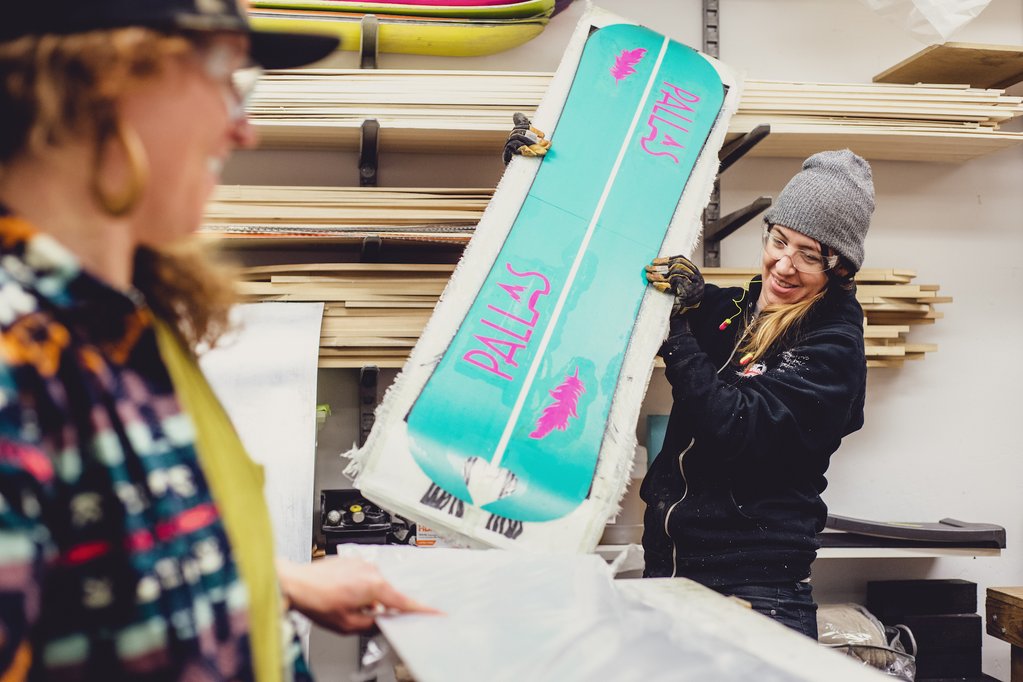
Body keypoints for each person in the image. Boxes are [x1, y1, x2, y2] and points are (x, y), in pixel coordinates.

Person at [0, 2, 433, 679]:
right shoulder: (17, 358)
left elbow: (97, 562)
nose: (243, 129)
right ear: (107, 78)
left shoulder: (120, 326)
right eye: (230, 79)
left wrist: (269, 582)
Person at [641, 149, 874, 639]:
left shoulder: (832, 346)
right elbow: (623, 272)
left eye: (810, 255)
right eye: (779, 240)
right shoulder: (731, 311)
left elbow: (736, 425)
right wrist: (539, 181)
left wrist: (678, 332)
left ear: (841, 269)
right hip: (669, 578)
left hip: (753, 598)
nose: (784, 265)